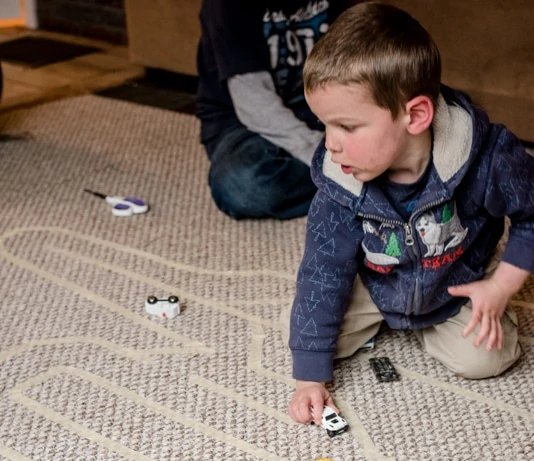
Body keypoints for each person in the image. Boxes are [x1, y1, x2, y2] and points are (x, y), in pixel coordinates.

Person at [288, 2, 534, 425]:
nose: (331, 144)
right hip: (374, 285)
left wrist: (499, 289)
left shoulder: (489, 158)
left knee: (487, 360)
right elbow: (323, 271)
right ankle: (380, 321)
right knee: (306, 340)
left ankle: (454, 315)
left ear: (416, 115)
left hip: (452, 286)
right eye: (324, 125)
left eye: (347, 127)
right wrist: (309, 380)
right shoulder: (340, 182)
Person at [196, 0, 350, 220]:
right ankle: (358, 182)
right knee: (242, 185)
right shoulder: (225, 6)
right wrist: (323, 156)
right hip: (244, 126)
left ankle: (352, 179)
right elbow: (254, 107)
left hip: (318, 115)